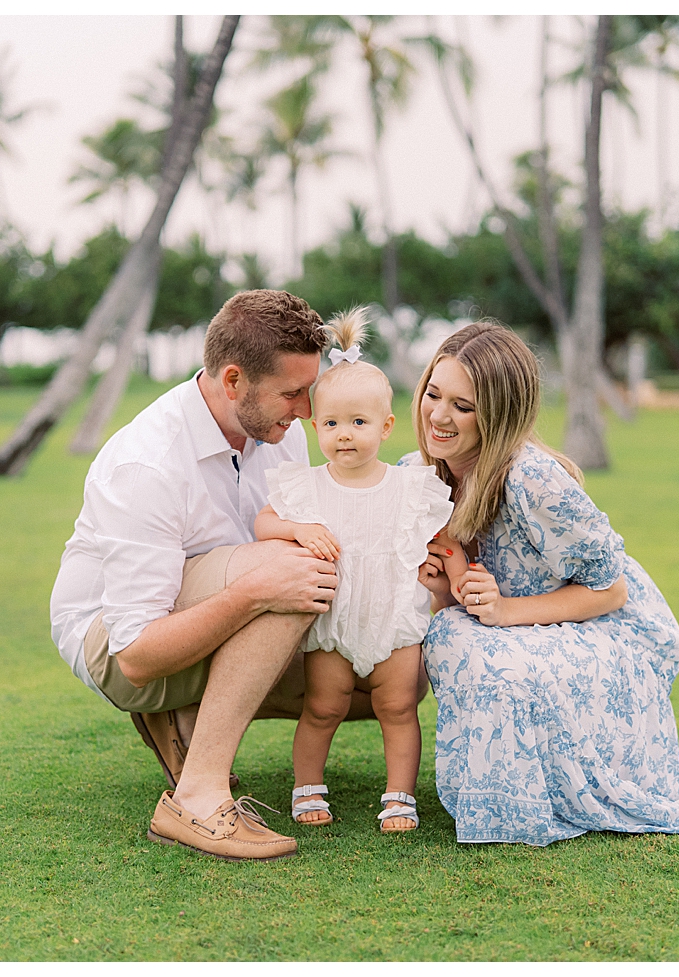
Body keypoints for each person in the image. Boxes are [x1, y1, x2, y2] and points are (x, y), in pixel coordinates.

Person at [403, 321, 679, 845]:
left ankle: (521, 804)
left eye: (463, 405)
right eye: (434, 393)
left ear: (499, 414)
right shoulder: (419, 474)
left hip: (599, 632)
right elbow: (449, 598)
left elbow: (611, 591)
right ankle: (501, 794)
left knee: (465, 639)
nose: (438, 415)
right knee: (455, 631)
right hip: (517, 626)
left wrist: (504, 611)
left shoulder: (532, 480)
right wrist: (443, 588)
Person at [50, 289, 421, 862]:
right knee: (291, 568)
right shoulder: (146, 464)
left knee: (385, 684)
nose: (305, 410)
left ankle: (190, 717)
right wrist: (255, 592)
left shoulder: (282, 432)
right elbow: (136, 658)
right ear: (232, 381)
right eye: (293, 393)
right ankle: (196, 798)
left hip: (216, 612)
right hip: (120, 647)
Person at [254, 309, 458, 833]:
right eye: (332, 423)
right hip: (334, 621)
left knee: (397, 708)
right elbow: (262, 524)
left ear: (386, 426)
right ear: (315, 425)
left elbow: (441, 539)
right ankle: (307, 787)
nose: (345, 435)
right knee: (323, 707)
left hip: (394, 617)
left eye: (359, 423)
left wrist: (444, 565)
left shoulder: (411, 487)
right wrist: (297, 531)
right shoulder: (308, 488)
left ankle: (398, 795)